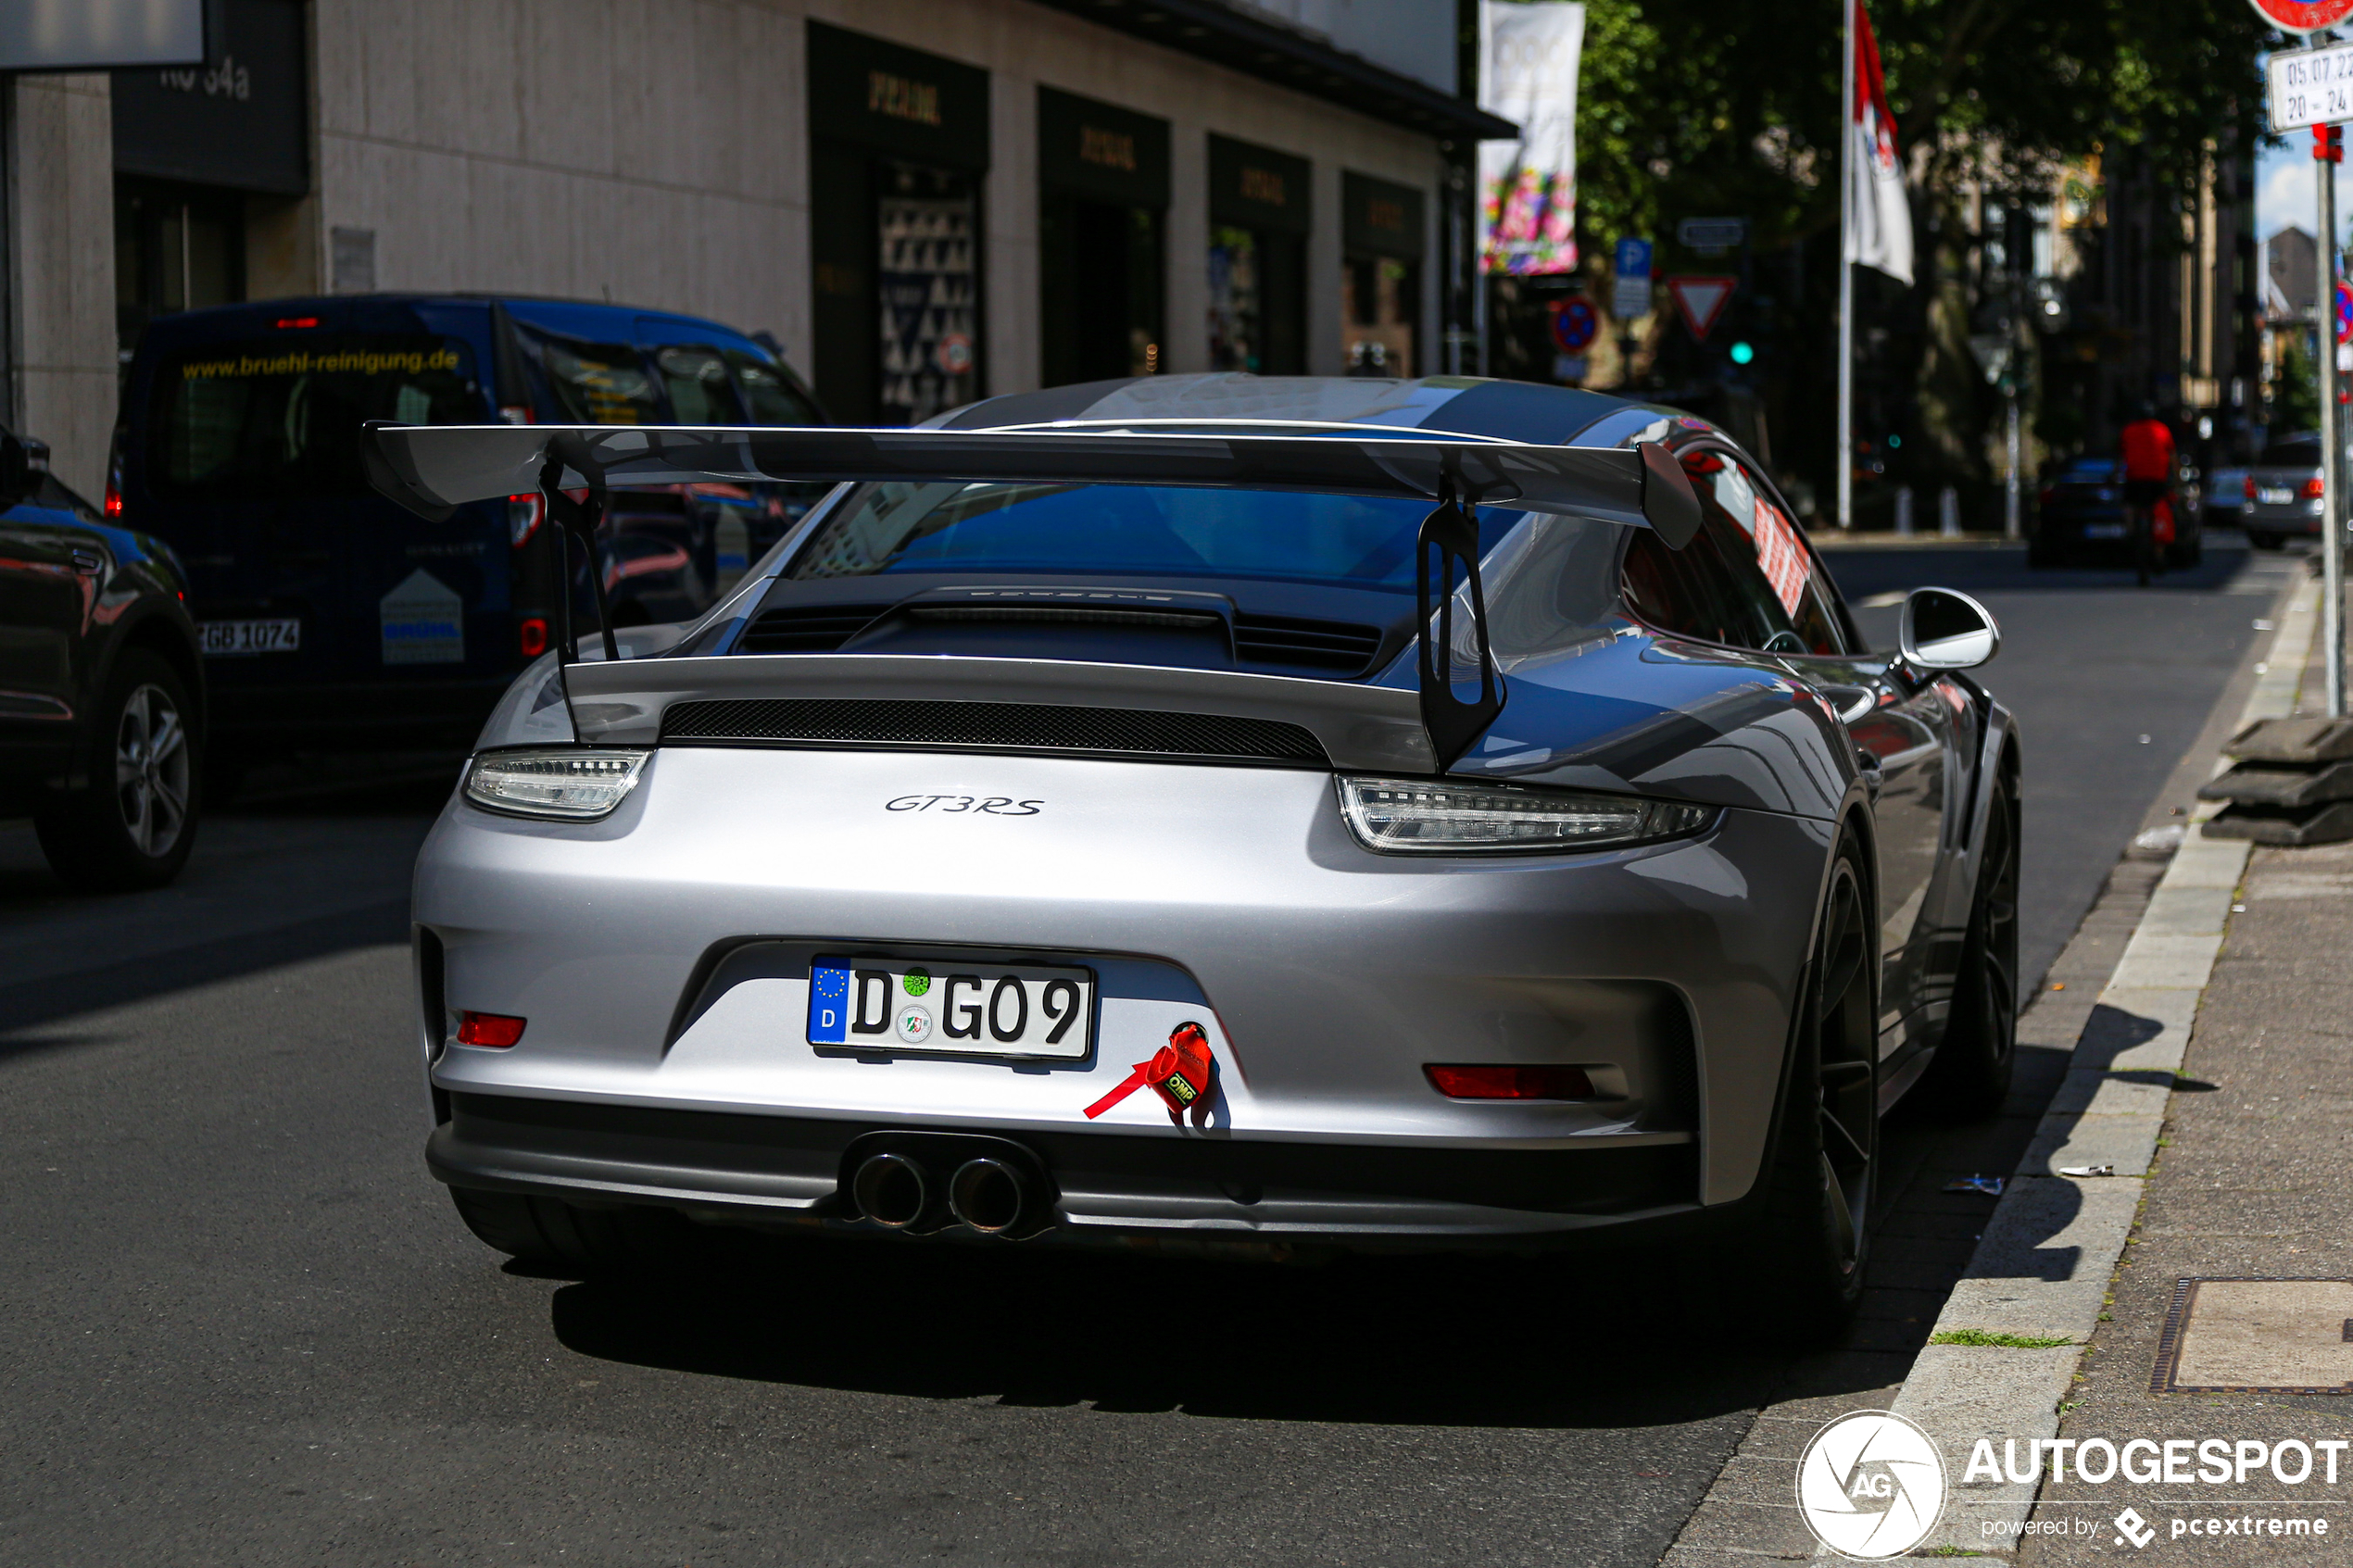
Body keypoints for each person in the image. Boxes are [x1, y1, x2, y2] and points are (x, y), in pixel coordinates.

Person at [2120, 402, 2176, 585]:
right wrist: (2176, 480)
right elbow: (2173, 457)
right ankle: (2159, 553)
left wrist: (2115, 474)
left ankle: (2130, 529)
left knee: (2129, 504)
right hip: (2157, 481)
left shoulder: (2129, 430)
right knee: (2160, 512)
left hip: (2135, 479)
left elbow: (2121, 456)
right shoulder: (2162, 430)